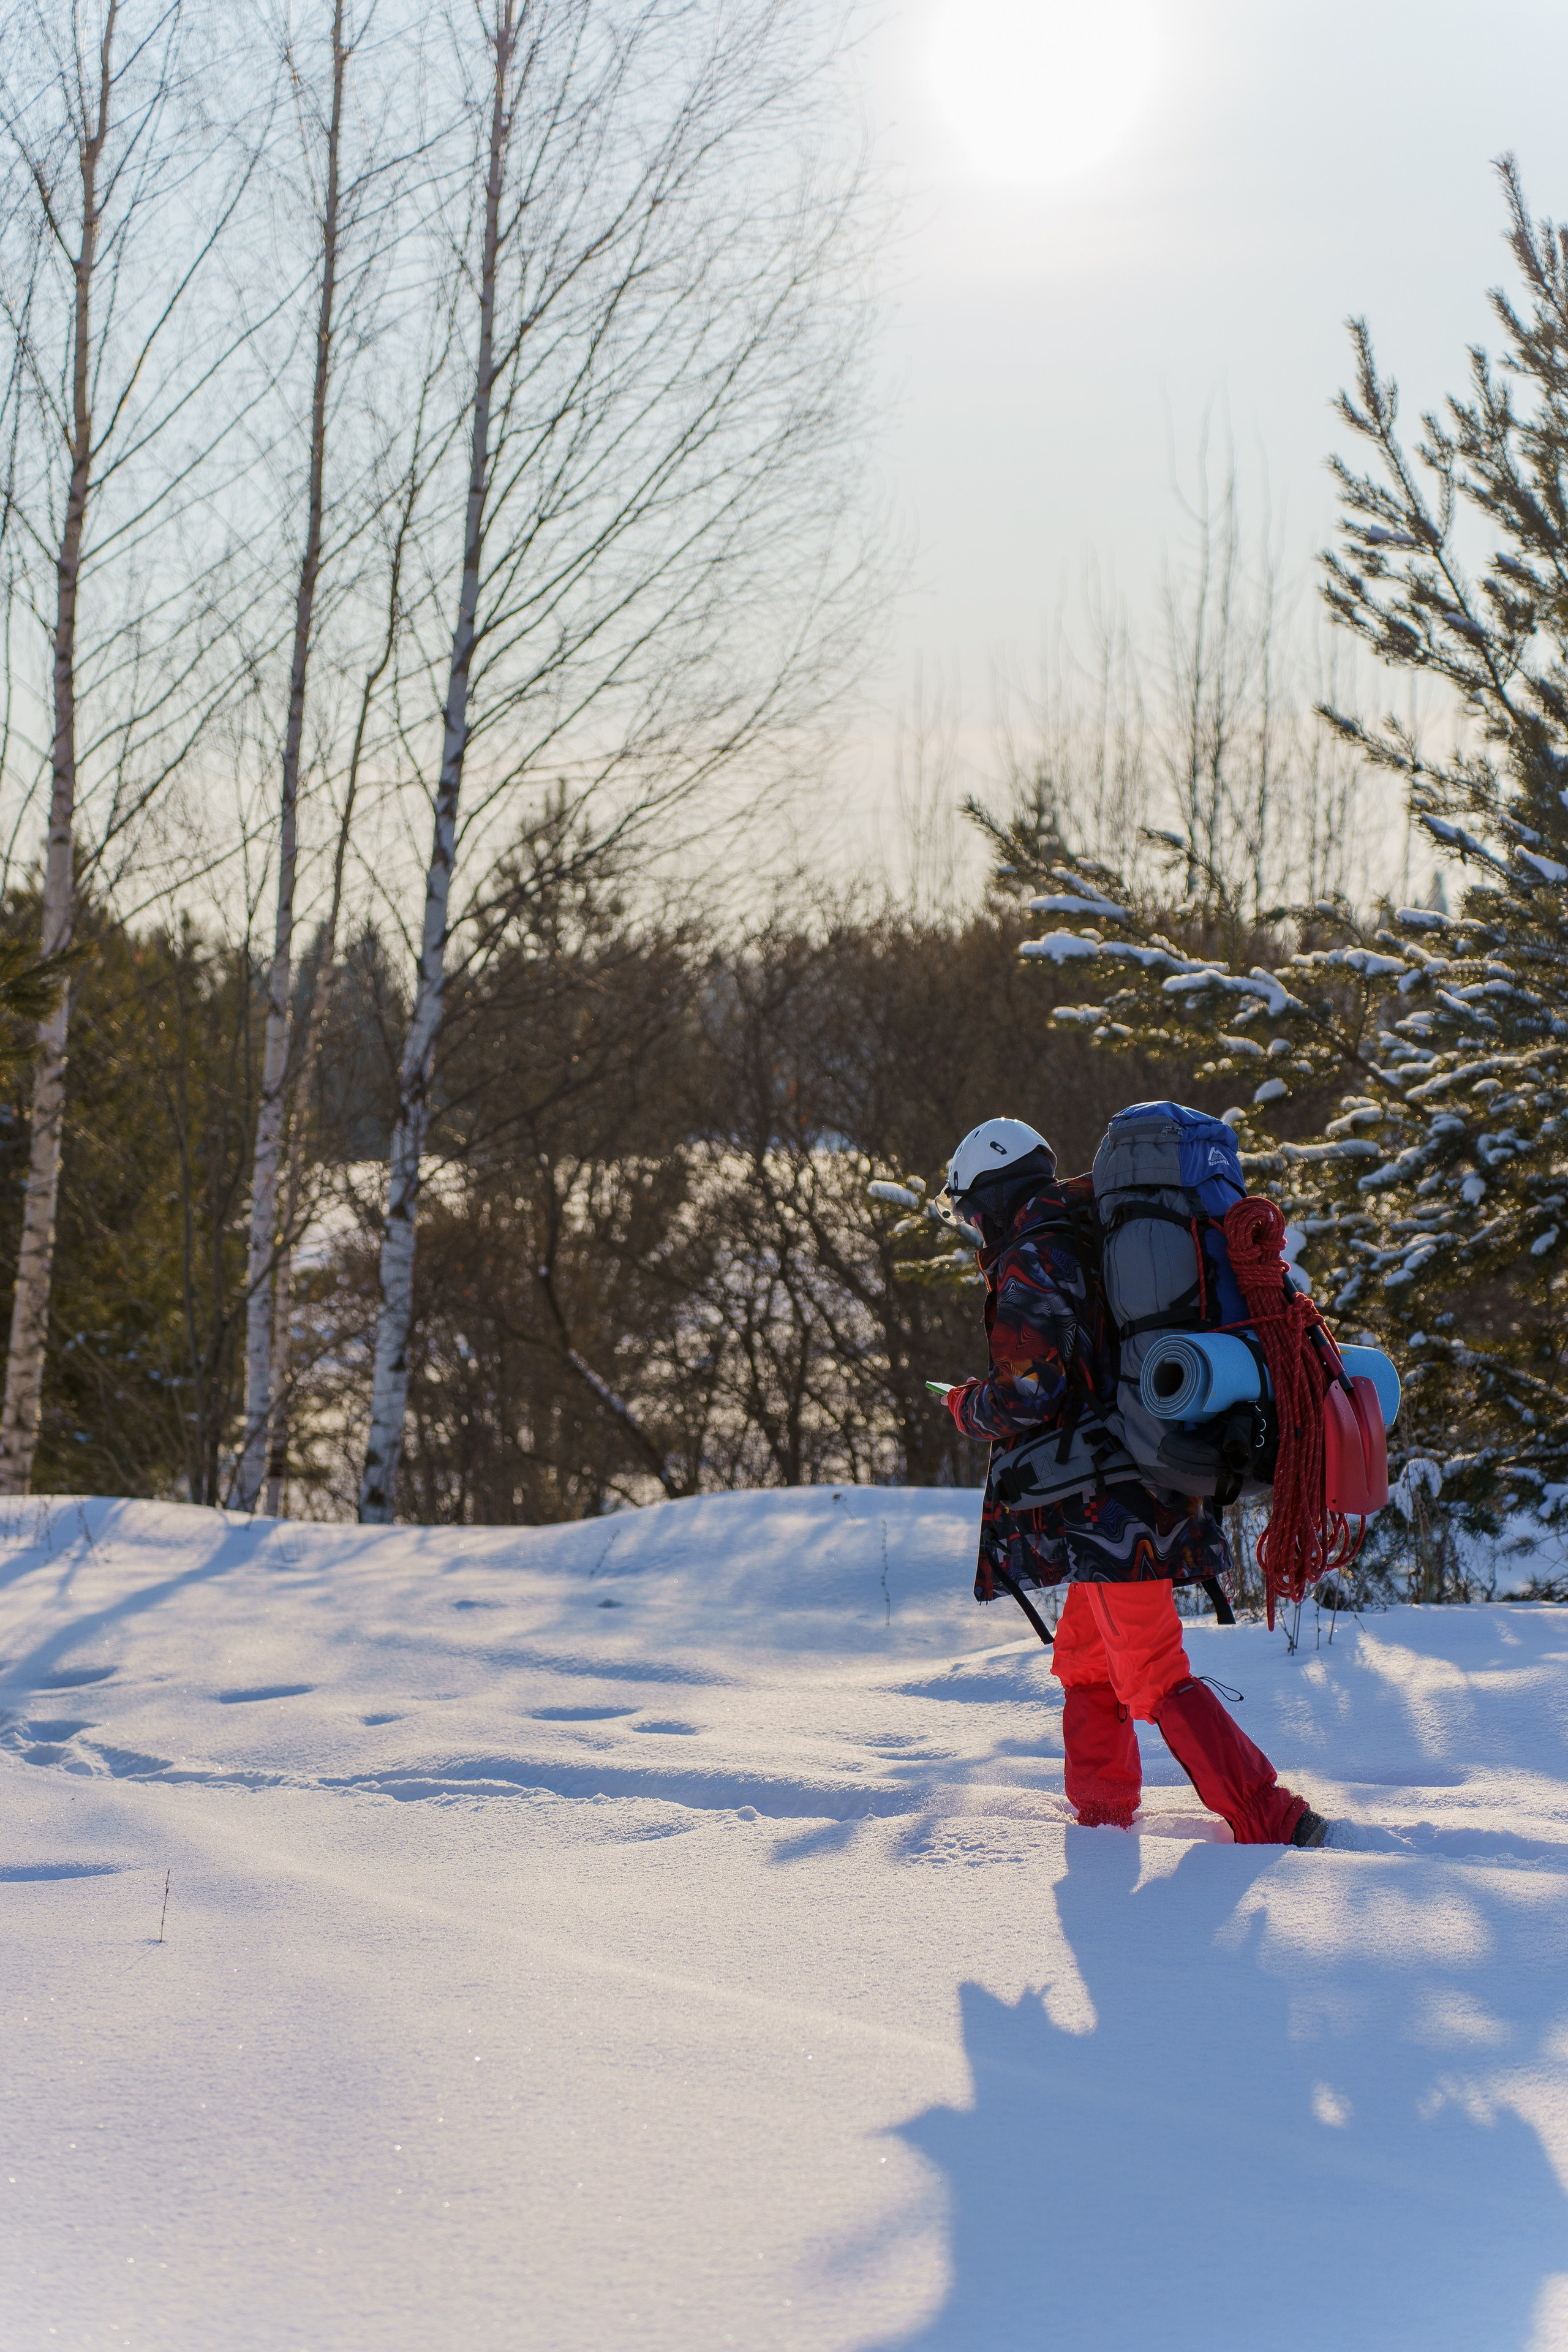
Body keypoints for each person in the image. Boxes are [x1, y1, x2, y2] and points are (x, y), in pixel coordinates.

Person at [939, 1115, 1327, 1848]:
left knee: (1150, 1672)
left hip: (1102, 1500)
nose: (970, 1227)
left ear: (986, 1196)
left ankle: (1271, 1816)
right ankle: (1101, 1816)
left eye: (966, 1210)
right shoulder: (1093, 1233)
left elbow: (1028, 1394)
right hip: (1137, 1476)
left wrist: (968, 1407)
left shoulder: (1033, 1258)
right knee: (1086, 1662)